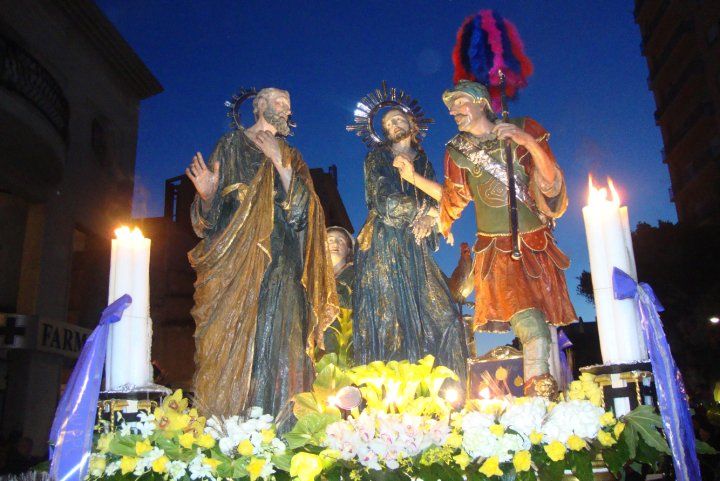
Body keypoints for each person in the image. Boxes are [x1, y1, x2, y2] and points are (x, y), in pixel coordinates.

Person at [395, 81, 576, 397]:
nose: (453, 111)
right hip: (497, 253)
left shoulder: (523, 128)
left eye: (459, 102)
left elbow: (550, 184)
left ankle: (547, 400)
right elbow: (452, 200)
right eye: (451, 107)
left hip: (535, 245)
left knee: (543, 330)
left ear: (481, 102)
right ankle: (538, 399)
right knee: (532, 327)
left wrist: (527, 142)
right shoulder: (457, 150)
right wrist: (413, 178)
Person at [186, 87, 338, 425]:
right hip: (234, 258)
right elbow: (206, 222)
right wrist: (208, 196)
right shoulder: (230, 145)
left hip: (281, 256)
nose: (287, 110)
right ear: (259, 106)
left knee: (282, 337)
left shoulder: (291, 153)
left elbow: (306, 212)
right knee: (230, 337)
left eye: (288, 105)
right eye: (280, 102)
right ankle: (228, 425)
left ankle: (281, 425)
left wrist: (280, 162)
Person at [353, 108, 466, 383]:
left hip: (416, 247)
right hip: (385, 245)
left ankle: (447, 393)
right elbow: (384, 199)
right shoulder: (377, 157)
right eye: (387, 123)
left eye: (397, 119)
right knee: (393, 321)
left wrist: (430, 219)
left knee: (447, 317)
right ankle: (392, 395)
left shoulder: (423, 161)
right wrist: (424, 212)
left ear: (411, 123)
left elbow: (439, 201)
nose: (393, 125)